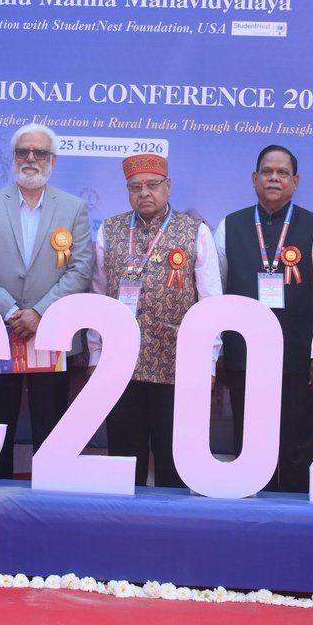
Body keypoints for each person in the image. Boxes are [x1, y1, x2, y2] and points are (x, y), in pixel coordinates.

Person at [0, 123, 94, 480]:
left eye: (40, 153)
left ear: (53, 160)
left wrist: (39, 312)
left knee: (50, 428)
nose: (31, 158)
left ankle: (49, 499)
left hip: (51, 336)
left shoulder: (74, 208)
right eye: (23, 152)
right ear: (14, 157)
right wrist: (11, 311)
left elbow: (81, 269)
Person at [214, 144, 313, 494]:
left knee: (298, 442)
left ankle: (296, 514)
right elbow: (216, 294)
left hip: (297, 357)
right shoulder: (229, 226)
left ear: (295, 181)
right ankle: (251, 511)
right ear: (254, 178)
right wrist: (220, 352)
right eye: (267, 172)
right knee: (249, 441)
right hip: (245, 355)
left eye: (282, 172)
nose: (274, 178)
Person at [90, 153, 221, 488]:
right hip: (121, 368)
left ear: (168, 186)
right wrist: (95, 356)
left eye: (152, 185)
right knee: (124, 464)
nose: (144, 193)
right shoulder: (110, 230)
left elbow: (211, 305)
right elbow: (98, 298)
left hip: (177, 368)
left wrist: (208, 364)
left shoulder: (195, 232)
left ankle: (170, 520)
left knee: (173, 465)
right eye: (135, 187)